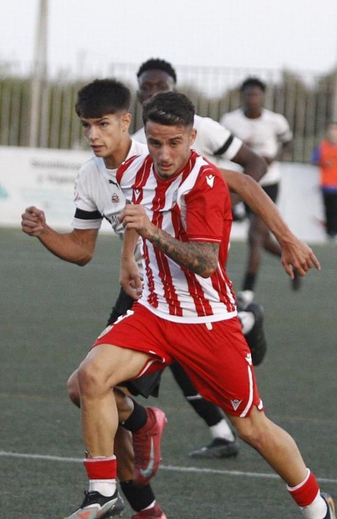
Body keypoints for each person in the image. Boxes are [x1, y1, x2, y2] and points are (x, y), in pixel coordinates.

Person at [64, 90, 337, 519]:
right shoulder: (134, 169)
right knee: (88, 380)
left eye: (174, 143)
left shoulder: (206, 182)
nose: (164, 154)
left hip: (207, 322)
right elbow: (133, 212)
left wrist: (285, 237)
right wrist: (129, 254)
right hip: (153, 313)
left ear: (193, 137)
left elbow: (206, 262)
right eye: (155, 143)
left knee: (252, 428)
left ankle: (320, 512)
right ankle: (103, 490)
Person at [132, 58, 319, 459]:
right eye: (146, 88)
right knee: (98, 379)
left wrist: (218, 205)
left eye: (161, 86)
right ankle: (216, 431)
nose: (153, 94)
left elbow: (251, 171)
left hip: (193, 253)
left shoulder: (206, 129)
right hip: (150, 271)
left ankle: (137, 474)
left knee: (254, 240)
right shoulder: (136, 145)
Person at [20, 79, 173, 519]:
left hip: (177, 298)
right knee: (86, 391)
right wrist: (44, 232)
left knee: (248, 423)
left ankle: (119, 472)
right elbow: (83, 250)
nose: (93, 134)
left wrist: (128, 254)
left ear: (126, 121)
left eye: (102, 124)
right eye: (87, 125)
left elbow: (141, 213)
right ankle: (146, 509)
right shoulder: (90, 175)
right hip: (137, 293)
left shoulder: (154, 160)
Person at [218, 77, 296, 297]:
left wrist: (273, 158)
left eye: (256, 94)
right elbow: (220, 147)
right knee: (260, 238)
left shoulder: (276, 121)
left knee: (255, 236)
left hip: (267, 183)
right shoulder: (230, 120)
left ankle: (247, 291)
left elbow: (288, 143)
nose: (252, 98)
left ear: (262, 97)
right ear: (242, 96)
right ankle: (291, 256)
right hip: (241, 181)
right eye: (249, 94)